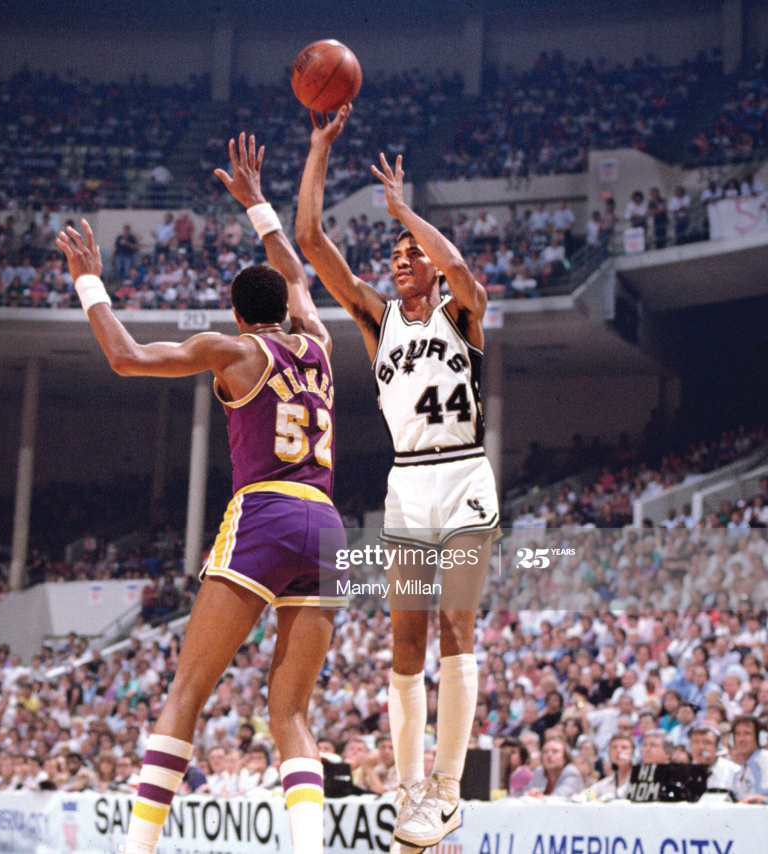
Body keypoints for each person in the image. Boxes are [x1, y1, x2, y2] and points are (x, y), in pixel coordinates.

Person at [56, 132, 344, 854]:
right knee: (291, 713)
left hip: (268, 513)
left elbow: (125, 358)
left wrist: (90, 281)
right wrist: (258, 208)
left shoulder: (236, 349)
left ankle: (137, 849)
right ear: (283, 304)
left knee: (187, 691)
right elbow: (299, 278)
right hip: (330, 527)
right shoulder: (318, 342)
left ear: (240, 312)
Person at [297, 105, 497, 850]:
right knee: (404, 642)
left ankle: (448, 790)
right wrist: (319, 148)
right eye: (396, 253)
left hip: (466, 475)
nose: (400, 261)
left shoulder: (464, 314)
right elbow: (313, 240)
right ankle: (411, 791)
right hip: (409, 483)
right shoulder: (380, 322)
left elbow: (465, 272)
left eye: (410, 252)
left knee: (457, 627)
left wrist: (407, 210)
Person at [730, 715, 768, 803]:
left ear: (760, 738)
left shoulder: (766, 758)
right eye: (737, 734)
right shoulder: (741, 770)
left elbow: (767, 796)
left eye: (747, 734)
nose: (741, 739)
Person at [591, 733, 635, 799]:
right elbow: (584, 795)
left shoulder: (639, 780)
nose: (618, 751)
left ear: (633, 752)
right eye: (614, 747)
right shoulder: (605, 783)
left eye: (624, 748)